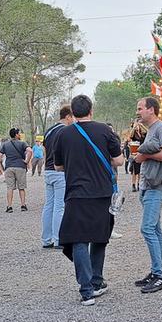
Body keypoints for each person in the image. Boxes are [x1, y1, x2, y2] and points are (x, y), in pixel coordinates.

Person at [54, 95, 124, 305]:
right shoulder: (105, 130)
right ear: (91, 111)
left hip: (76, 193)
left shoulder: (64, 134)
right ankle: (96, 280)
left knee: (79, 239)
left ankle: (86, 291)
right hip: (102, 192)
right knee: (100, 237)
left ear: (72, 113)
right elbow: (119, 160)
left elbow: (57, 166)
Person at [131, 97, 162, 294]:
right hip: (148, 183)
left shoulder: (161, 128)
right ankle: (155, 271)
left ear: (151, 109)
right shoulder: (151, 129)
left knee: (147, 229)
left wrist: (144, 156)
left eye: (140, 108)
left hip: (156, 185)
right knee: (155, 229)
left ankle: (159, 275)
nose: (138, 112)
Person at [41, 107, 74, 249]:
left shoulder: (49, 131)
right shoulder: (65, 131)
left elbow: (44, 149)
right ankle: (58, 239)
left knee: (49, 205)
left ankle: (46, 239)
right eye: (73, 117)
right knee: (59, 206)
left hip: (48, 171)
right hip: (60, 171)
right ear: (68, 117)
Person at [0, 128, 33, 213]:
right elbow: (30, 151)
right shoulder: (23, 143)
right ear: (16, 135)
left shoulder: (5, 144)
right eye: (19, 133)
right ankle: (23, 205)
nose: (20, 135)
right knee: (21, 187)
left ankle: (9, 206)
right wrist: (26, 161)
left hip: (9, 167)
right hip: (20, 167)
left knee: (10, 188)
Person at [127, 122, 147, 192]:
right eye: (137, 125)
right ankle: (133, 185)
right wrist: (134, 127)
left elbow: (148, 132)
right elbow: (130, 137)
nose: (138, 126)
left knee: (140, 171)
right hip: (135, 154)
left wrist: (142, 125)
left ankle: (139, 184)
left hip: (142, 153)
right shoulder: (134, 134)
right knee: (134, 171)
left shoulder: (143, 134)